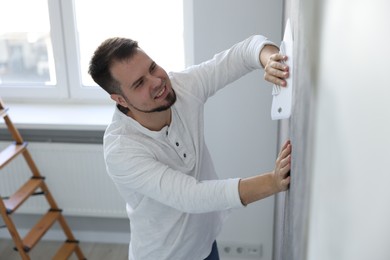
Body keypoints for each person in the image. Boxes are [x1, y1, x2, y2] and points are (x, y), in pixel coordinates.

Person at [88, 34, 291, 260]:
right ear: (121, 100)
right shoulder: (121, 151)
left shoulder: (182, 86)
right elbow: (190, 196)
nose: (156, 81)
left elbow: (242, 54)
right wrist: (273, 182)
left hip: (205, 243)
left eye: (153, 68)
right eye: (139, 83)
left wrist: (272, 59)